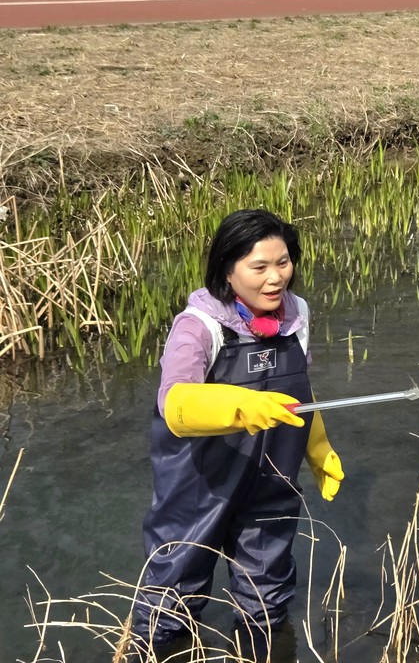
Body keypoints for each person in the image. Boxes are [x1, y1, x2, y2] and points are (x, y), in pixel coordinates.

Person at [132, 209, 345, 659]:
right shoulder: (199, 327)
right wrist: (237, 405)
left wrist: (318, 446)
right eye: (260, 267)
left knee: (266, 598)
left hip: (271, 477)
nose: (276, 279)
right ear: (228, 271)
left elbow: (299, 396)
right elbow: (175, 405)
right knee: (172, 599)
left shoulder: (297, 314)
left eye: (283, 262)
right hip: (199, 485)